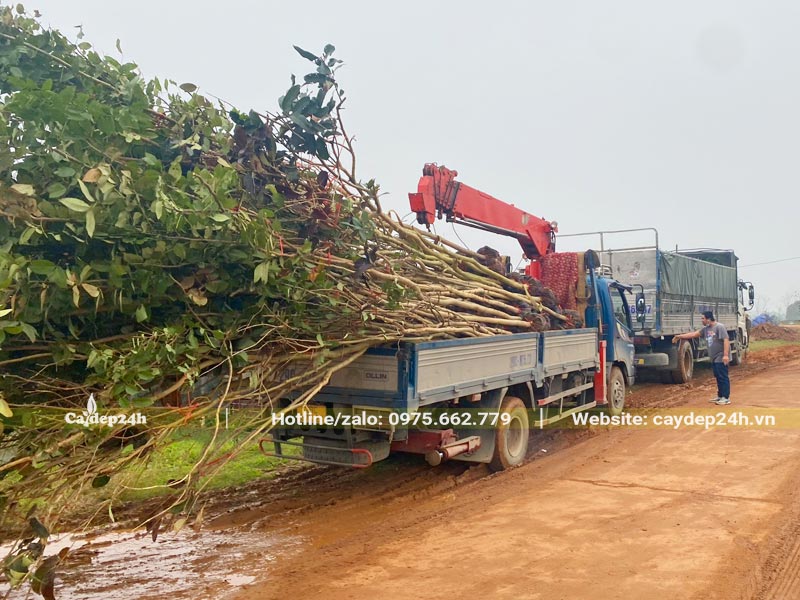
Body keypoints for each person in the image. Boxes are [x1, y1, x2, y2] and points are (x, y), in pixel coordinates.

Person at [673, 310, 731, 405]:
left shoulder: (719, 327)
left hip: (721, 355)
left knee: (722, 376)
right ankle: (720, 396)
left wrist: (725, 355)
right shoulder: (706, 329)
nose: (702, 320)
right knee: (717, 375)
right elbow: (693, 334)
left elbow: (726, 340)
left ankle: (726, 397)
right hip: (714, 357)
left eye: (703, 318)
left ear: (708, 319)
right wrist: (680, 336)